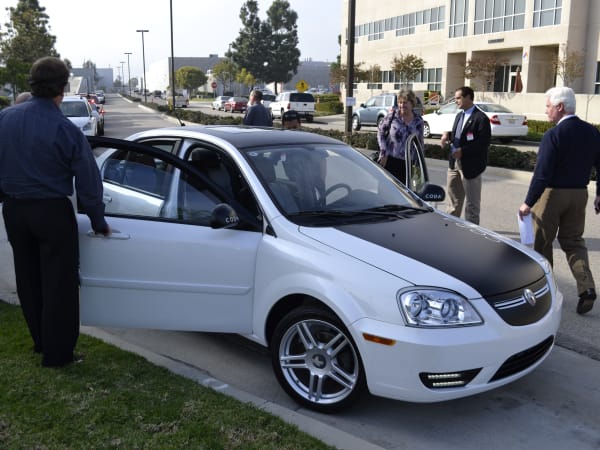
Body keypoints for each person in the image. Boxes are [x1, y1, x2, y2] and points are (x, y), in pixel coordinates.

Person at [0, 56, 110, 367]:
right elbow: (88, 180)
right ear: (62, 88)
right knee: (59, 284)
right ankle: (58, 355)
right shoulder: (65, 129)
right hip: (51, 212)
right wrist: (98, 219)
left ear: (32, 84)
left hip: (14, 210)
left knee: (29, 279)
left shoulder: (5, 118)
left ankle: (40, 341)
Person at [519, 87, 600, 315]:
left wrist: (528, 202)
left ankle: (547, 293)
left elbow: (542, 174)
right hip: (580, 194)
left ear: (560, 107)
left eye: (548, 106)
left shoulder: (553, 135)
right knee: (574, 242)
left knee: (542, 243)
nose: (546, 111)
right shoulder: (592, 132)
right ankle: (586, 287)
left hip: (552, 194)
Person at [440, 86, 491, 225]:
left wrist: (463, 151)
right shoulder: (459, 115)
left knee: (472, 204)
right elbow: (459, 135)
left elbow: (483, 142)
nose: (456, 101)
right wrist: (447, 134)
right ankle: (451, 227)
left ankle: (471, 232)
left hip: (471, 166)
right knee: (453, 202)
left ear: (468, 97)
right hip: (454, 164)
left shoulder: (481, 118)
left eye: (458, 98)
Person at [376, 89, 423, 185]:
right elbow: (380, 132)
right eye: (400, 102)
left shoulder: (418, 121)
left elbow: (420, 143)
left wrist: (419, 164)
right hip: (389, 160)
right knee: (385, 189)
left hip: (408, 164)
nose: (402, 105)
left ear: (412, 103)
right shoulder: (392, 116)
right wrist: (383, 152)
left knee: (403, 191)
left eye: (405, 102)